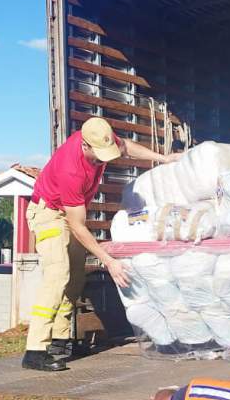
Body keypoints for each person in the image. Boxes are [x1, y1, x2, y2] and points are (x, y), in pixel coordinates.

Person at [22, 117, 180, 371]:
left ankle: (62, 341)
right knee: (57, 275)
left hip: (69, 214)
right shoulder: (70, 169)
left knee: (74, 278)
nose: (104, 160)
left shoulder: (100, 136)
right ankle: (35, 349)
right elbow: (77, 224)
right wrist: (108, 260)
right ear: (85, 146)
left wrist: (163, 159)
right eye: (98, 156)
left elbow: (127, 146)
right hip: (49, 214)